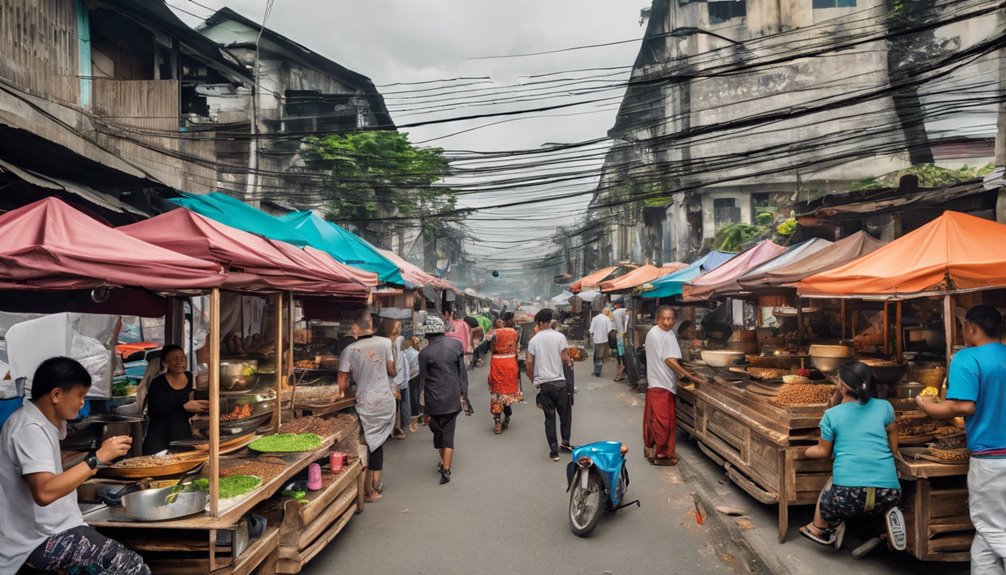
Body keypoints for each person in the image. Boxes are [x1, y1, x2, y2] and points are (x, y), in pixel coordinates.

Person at [0, 357, 148, 574]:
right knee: (131, 567)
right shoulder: (29, 428)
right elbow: (44, 491)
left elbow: (55, 470)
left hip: (56, 529)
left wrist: (100, 457)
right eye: (80, 396)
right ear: (56, 395)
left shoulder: (43, 422)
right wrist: (96, 459)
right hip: (41, 539)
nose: (82, 403)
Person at [917, 305, 1006, 571]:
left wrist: (925, 405)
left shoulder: (967, 358)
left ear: (971, 327)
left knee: (995, 530)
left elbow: (962, 406)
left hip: (992, 461)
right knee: (986, 535)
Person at [800, 361, 902, 548]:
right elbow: (893, 442)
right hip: (889, 494)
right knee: (878, 491)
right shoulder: (885, 407)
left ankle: (819, 527)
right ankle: (885, 523)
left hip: (847, 498)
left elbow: (823, 452)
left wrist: (805, 451)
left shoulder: (832, 415)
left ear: (842, 386)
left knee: (832, 483)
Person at [338, 312, 397, 503]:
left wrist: (345, 389)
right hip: (385, 401)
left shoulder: (349, 350)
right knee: (377, 444)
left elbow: (342, 382)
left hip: (364, 403)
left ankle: (365, 488)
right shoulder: (385, 343)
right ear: (371, 327)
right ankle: (374, 486)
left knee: (364, 443)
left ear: (356, 328)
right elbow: (391, 370)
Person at [644, 306, 705, 466]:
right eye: (664, 318)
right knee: (665, 423)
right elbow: (669, 360)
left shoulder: (652, 332)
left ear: (675, 320)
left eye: (670, 319)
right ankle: (663, 456)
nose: (667, 322)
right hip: (663, 385)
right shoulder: (668, 335)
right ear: (658, 318)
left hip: (653, 383)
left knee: (652, 420)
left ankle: (650, 449)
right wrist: (688, 375)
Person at [418, 315, 470, 484]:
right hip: (452, 397)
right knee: (447, 432)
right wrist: (464, 395)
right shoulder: (456, 345)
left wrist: (421, 405)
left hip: (433, 400)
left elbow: (422, 380)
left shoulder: (425, 353)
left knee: (438, 432)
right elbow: (462, 373)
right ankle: (445, 467)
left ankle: (445, 466)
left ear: (427, 334)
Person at [526, 308, 574, 461]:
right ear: (549, 321)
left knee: (550, 418)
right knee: (565, 415)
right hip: (560, 383)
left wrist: (534, 379)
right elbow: (566, 357)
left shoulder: (534, 340)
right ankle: (565, 443)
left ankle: (554, 451)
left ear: (540, 323)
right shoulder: (560, 337)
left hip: (545, 385)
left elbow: (529, 363)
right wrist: (569, 362)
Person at [142, 344, 208, 454]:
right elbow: (156, 410)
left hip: (182, 437)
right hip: (159, 439)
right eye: (175, 359)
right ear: (165, 363)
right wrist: (183, 406)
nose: (180, 362)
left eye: (183, 358)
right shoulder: (158, 384)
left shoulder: (191, 379)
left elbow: (193, 407)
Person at [487, 312, 522, 434]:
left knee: (497, 393)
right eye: (513, 319)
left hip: (497, 364)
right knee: (507, 393)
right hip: (511, 364)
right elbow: (517, 348)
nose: (514, 321)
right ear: (507, 321)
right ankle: (506, 417)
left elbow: (491, 348)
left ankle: (497, 421)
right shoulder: (515, 333)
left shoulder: (494, 333)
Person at [378, 319, 408, 440]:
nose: (400, 329)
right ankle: (388, 429)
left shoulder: (398, 340)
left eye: (400, 326)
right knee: (388, 404)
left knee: (395, 403)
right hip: (387, 377)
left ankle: (395, 428)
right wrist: (393, 372)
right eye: (397, 327)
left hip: (396, 379)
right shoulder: (384, 343)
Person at [589, 308, 614, 377]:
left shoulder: (595, 318)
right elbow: (609, 331)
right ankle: (598, 371)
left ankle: (596, 370)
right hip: (604, 340)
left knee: (596, 355)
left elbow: (591, 330)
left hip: (596, 340)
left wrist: (595, 337)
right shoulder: (607, 319)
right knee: (601, 356)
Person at [403, 336, 421, 433]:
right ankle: (415, 420)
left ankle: (411, 421)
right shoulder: (416, 353)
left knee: (410, 399)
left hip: (408, 378)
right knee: (415, 398)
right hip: (415, 376)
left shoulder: (403, 353)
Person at [613, 304, 628, 382]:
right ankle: (620, 373)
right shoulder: (618, 313)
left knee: (620, 357)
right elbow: (620, 328)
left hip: (620, 339)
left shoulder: (617, 313)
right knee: (622, 357)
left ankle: (619, 373)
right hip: (621, 340)